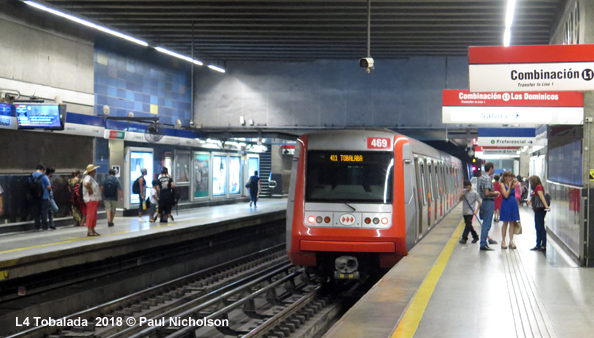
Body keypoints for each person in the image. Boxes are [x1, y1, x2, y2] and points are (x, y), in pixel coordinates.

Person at [478, 162, 501, 251]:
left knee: (485, 224)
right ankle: (483, 243)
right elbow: (487, 192)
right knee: (487, 224)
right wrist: (495, 193)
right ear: (490, 168)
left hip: (484, 201)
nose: (494, 170)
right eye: (494, 168)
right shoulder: (487, 178)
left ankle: (483, 242)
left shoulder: (482, 177)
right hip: (488, 202)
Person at [500, 171, 520, 249]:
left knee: (512, 223)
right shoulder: (502, 185)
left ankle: (511, 241)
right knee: (505, 223)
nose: (510, 178)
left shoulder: (514, 185)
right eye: (508, 176)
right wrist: (509, 186)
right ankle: (503, 240)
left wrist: (513, 185)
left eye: (511, 176)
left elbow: (517, 193)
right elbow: (505, 195)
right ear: (504, 177)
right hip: (506, 204)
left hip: (513, 204)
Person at [528, 175, 550, 251]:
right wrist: (530, 201)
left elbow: (541, 197)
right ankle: (538, 244)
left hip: (540, 210)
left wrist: (546, 206)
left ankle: (543, 245)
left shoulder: (539, 187)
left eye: (531, 181)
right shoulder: (535, 188)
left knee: (541, 227)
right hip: (536, 210)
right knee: (537, 227)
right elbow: (535, 197)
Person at [30, 165, 52, 231]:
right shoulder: (44, 176)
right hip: (44, 196)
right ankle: (44, 226)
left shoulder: (31, 176)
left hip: (34, 196)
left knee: (36, 212)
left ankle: (37, 227)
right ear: (42, 169)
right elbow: (49, 186)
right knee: (43, 212)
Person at [458, 180, 480, 244]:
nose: (467, 188)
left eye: (468, 187)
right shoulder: (464, 192)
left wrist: (476, 211)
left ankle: (464, 238)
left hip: (471, 212)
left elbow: (479, 202)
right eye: (466, 187)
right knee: (468, 225)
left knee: (468, 224)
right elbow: (460, 200)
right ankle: (475, 236)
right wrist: (462, 195)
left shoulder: (475, 193)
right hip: (464, 211)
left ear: (470, 186)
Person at [83, 164, 102, 236]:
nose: (95, 171)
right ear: (91, 171)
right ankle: (89, 230)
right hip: (91, 199)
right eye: (94, 170)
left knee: (94, 215)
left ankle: (93, 229)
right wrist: (90, 190)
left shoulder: (91, 178)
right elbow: (86, 184)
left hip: (94, 199)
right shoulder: (88, 178)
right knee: (91, 215)